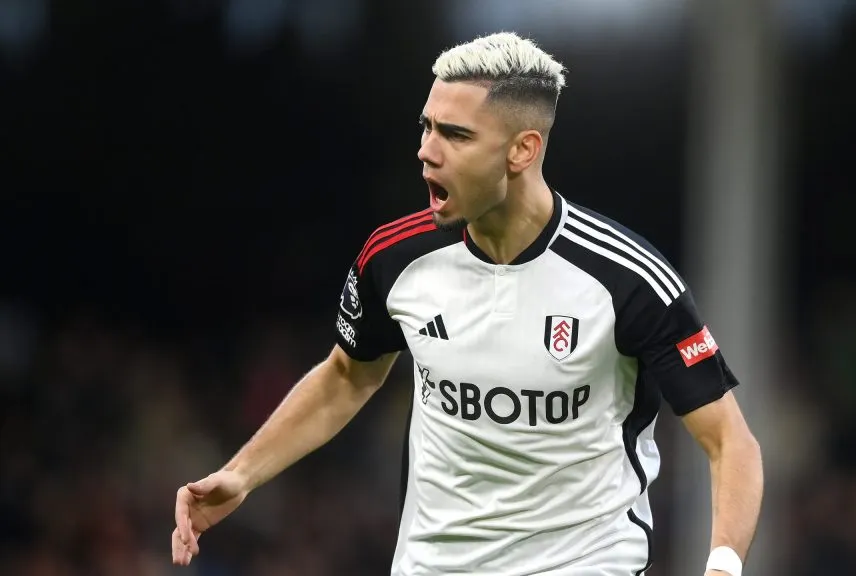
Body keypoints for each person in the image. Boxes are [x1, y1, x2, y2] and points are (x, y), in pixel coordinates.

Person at [171, 31, 763, 576]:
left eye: (455, 135)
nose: (427, 151)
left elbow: (730, 441)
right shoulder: (394, 258)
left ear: (522, 150)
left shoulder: (627, 280)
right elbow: (346, 377)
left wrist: (722, 565)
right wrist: (242, 475)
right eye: (426, 127)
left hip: (586, 563)